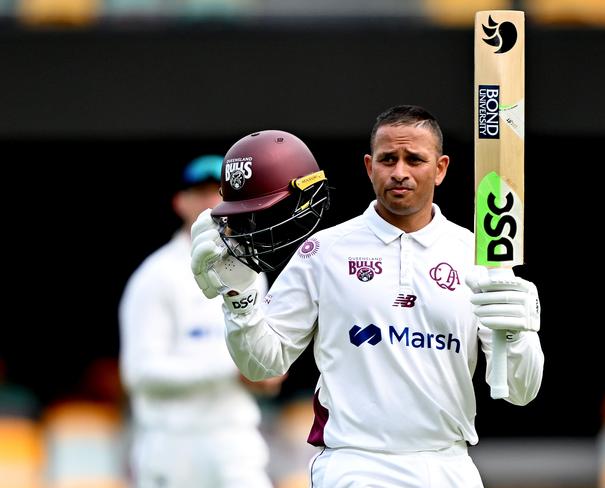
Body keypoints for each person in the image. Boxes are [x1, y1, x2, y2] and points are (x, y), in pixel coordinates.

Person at [190, 108, 544, 487]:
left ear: (440, 168)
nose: (400, 172)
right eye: (388, 159)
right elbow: (263, 365)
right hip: (355, 464)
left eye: (415, 160)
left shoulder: (478, 255)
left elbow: (520, 392)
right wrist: (238, 298)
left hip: (447, 463)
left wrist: (520, 335)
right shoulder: (322, 252)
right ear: (369, 165)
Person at [119, 154, 283, 488]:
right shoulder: (156, 275)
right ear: (181, 202)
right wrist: (230, 369)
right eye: (202, 192)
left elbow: (267, 365)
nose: (212, 203)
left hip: (236, 439)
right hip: (173, 443)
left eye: (221, 193)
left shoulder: (251, 271)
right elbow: (139, 373)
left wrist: (267, 371)